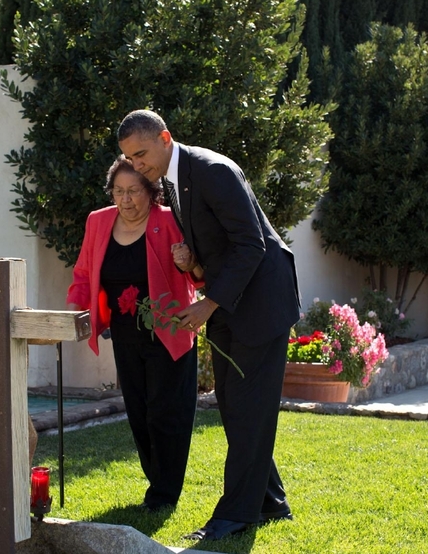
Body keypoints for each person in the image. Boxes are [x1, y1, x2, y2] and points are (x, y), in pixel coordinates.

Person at [118, 109, 300, 540]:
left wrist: (208, 303)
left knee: (248, 409)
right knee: (237, 408)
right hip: (228, 305)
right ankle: (271, 501)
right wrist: (195, 267)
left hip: (261, 305)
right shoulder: (172, 180)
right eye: (129, 157)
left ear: (165, 138)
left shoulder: (213, 170)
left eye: (141, 154)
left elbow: (251, 244)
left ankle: (234, 516)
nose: (137, 165)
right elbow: (218, 249)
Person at [66, 155, 200, 512]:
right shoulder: (98, 222)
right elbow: (83, 274)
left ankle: (164, 494)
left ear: (151, 192)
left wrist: (188, 263)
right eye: (118, 191)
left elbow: (199, 273)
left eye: (133, 191)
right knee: (139, 413)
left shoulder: (171, 221)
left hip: (170, 331)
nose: (125, 199)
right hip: (125, 334)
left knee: (166, 413)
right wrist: (73, 313)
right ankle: (157, 479)